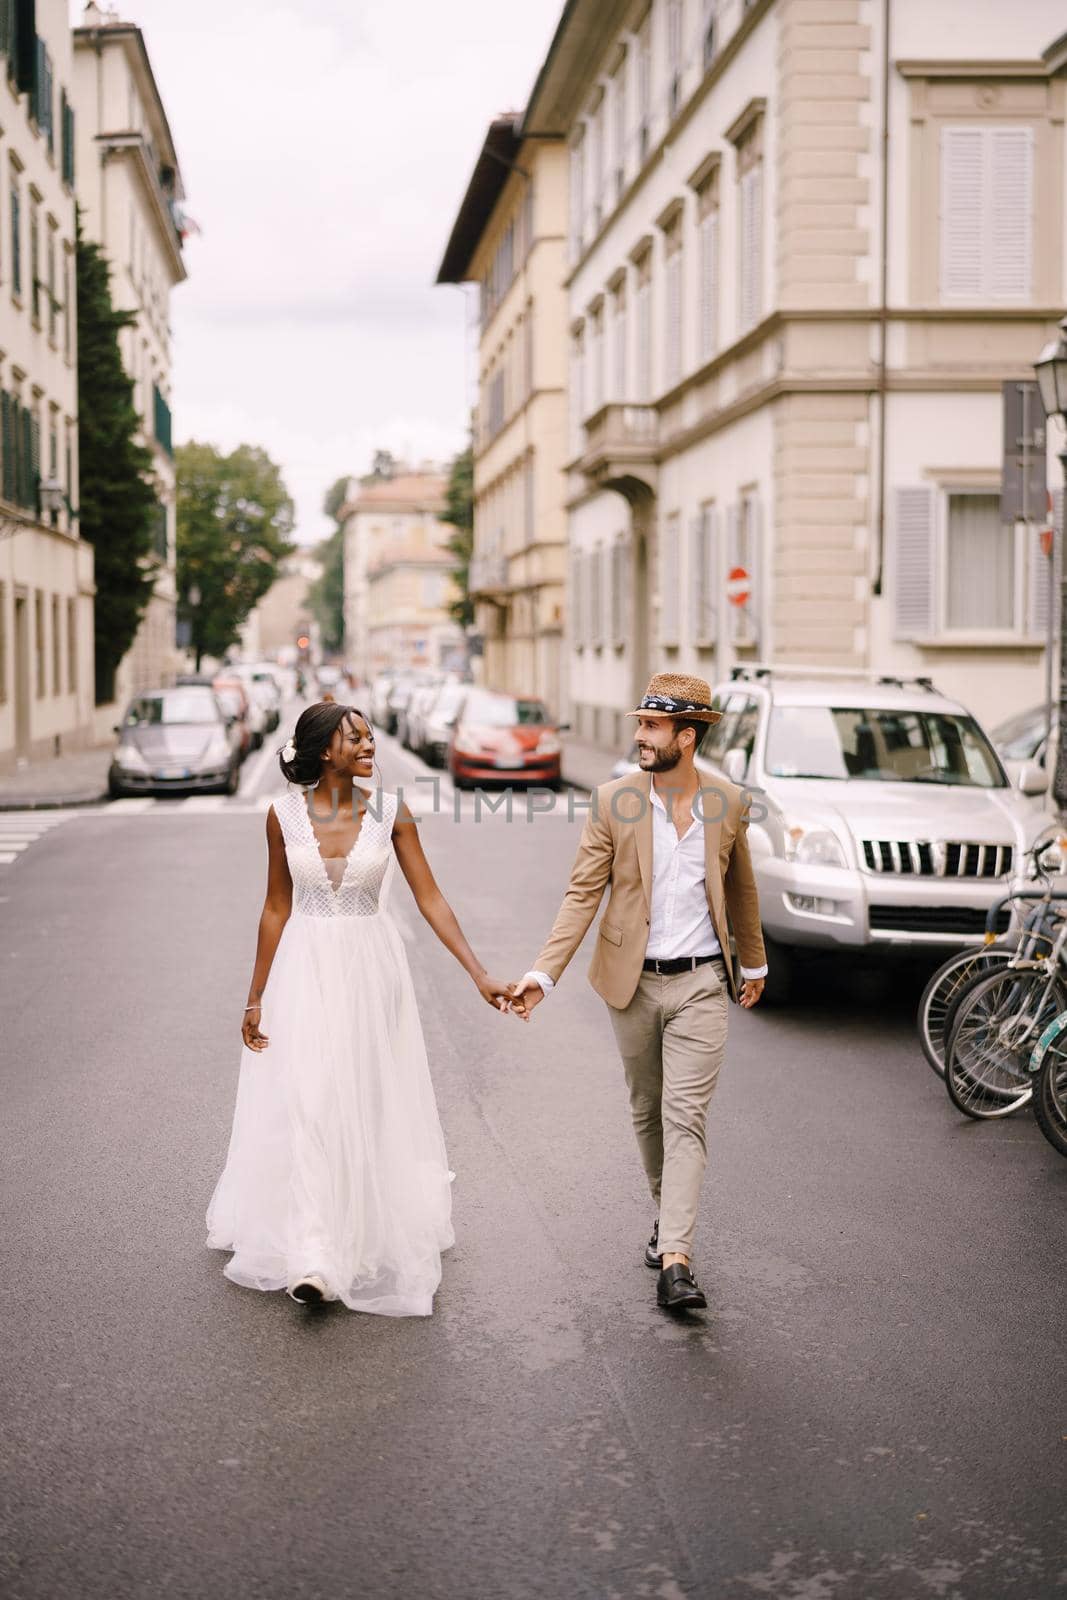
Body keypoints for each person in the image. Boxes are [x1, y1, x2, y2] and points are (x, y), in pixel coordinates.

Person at [205, 700, 513, 1315]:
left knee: (363, 1100)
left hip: (373, 973)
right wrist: (255, 995)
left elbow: (431, 900)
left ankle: (359, 1226)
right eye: (356, 739)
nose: (369, 747)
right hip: (306, 971)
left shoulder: (393, 814)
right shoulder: (282, 816)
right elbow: (275, 907)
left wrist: (479, 974)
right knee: (313, 1100)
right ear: (324, 751)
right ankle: (317, 1253)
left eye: (370, 738)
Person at [508, 673, 767, 1313]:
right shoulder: (614, 801)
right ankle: (665, 1214)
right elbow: (582, 894)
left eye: (652, 727)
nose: (640, 736)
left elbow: (741, 890)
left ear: (687, 735)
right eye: (641, 724)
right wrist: (544, 973)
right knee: (648, 1112)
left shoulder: (729, 802)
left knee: (686, 1117)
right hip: (632, 982)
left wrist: (753, 964)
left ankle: (676, 1260)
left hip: (703, 981)